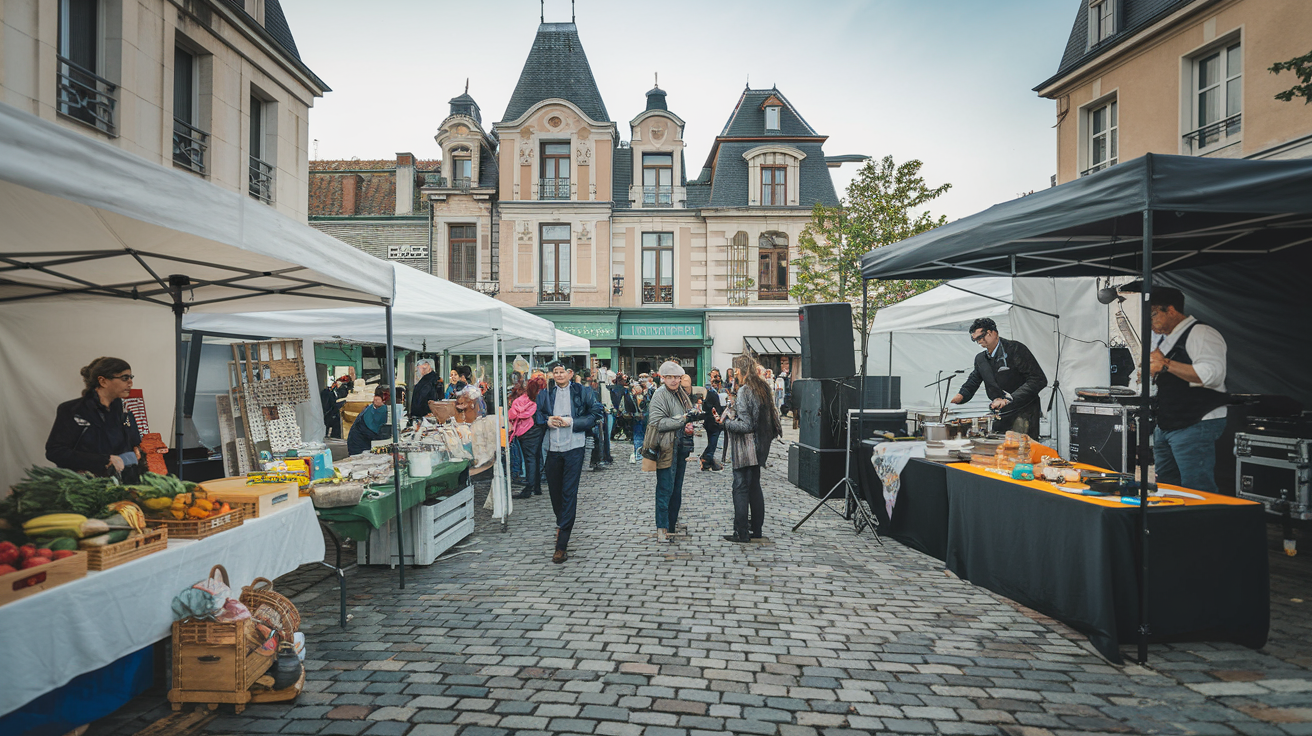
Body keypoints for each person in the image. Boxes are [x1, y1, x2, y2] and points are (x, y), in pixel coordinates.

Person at [1146, 287, 1228, 493]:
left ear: (1171, 311)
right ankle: (1173, 523)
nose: (1151, 321)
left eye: (1153, 314)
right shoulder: (1167, 340)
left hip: (1195, 421)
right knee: (1165, 486)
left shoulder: (1202, 333)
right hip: (1169, 422)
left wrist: (1165, 364)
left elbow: (1212, 375)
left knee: (1196, 486)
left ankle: (1204, 524)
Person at [536, 361, 603, 563]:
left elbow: (596, 413)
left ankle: (561, 544)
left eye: (562, 371)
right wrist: (547, 420)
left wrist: (572, 422)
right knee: (555, 493)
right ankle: (562, 522)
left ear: (570, 373)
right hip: (552, 448)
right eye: (555, 372)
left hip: (574, 446)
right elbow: (537, 414)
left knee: (569, 492)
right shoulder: (545, 393)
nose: (558, 375)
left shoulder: (583, 391)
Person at [717, 354, 783, 543]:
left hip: (746, 448)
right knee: (754, 487)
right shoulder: (761, 386)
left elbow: (746, 425)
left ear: (739, 370)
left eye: (735, 370)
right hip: (760, 446)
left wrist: (727, 422)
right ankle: (756, 530)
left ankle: (742, 532)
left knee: (740, 488)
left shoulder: (746, 390)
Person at [46, 357, 144, 481]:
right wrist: (104, 460)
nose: (130, 383)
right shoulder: (73, 410)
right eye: (125, 378)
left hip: (120, 488)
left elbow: (135, 446)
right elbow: (56, 452)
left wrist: (137, 452)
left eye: (131, 377)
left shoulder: (125, 413)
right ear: (103, 381)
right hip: (81, 488)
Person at [950, 317, 1048, 435]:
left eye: (981, 337)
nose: (979, 342)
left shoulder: (1015, 349)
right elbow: (973, 381)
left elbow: (1038, 380)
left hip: (1024, 413)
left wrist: (1008, 399)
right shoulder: (981, 359)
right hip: (1000, 414)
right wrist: (960, 396)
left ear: (993, 333)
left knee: (1021, 448)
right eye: (975, 340)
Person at [646, 362, 699, 542]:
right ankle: (662, 529)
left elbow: (685, 416)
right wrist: (683, 420)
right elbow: (657, 422)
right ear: (663, 378)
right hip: (665, 448)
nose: (674, 380)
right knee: (665, 489)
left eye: (677, 377)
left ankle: (671, 525)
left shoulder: (680, 394)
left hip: (680, 446)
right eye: (670, 377)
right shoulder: (660, 395)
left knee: (676, 490)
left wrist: (690, 421)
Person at [347, 387, 391, 455]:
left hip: (364, 444)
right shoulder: (369, 413)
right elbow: (374, 433)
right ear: (376, 398)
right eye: (386, 398)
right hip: (358, 447)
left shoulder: (378, 409)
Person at [700, 373, 726, 472]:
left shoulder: (712, 393)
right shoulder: (712, 393)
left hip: (710, 421)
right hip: (713, 422)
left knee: (711, 442)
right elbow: (713, 408)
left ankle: (707, 461)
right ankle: (706, 458)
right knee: (713, 442)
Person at [409, 359, 441, 425]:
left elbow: (423, 398)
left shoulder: (430, 380)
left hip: (425, 416)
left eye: (418, 368)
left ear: (427, 366)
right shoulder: (428, 379)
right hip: (423, 415)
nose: (418, 371)